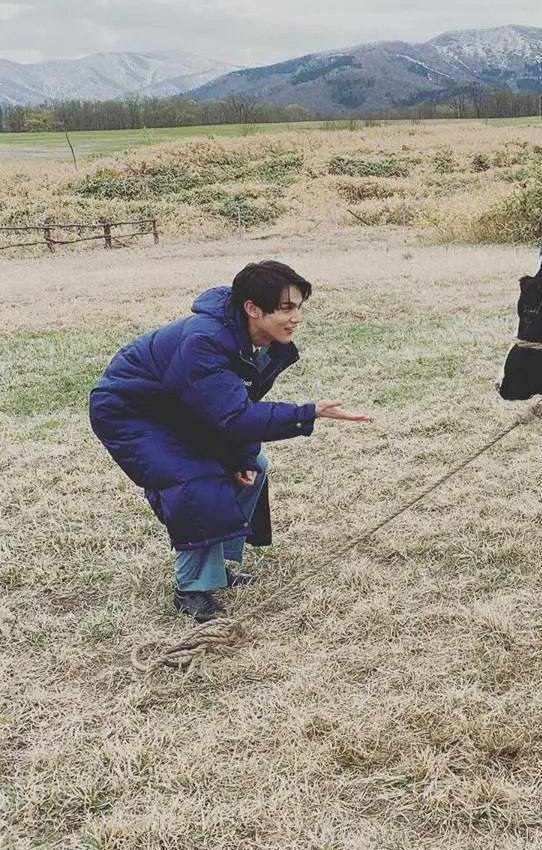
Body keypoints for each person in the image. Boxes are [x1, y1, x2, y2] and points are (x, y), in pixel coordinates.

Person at [89, 260, 368, 622]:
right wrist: (307, 412)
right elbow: (233, 416)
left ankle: (215, 570)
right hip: (132, 411)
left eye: (299, 307)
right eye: (286, 308)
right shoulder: (203, 341)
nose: (296, 317)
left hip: (184, 408)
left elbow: (235, 407)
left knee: (254, 467)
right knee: (196, 477)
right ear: (252, 308)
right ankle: (191, 589)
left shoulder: (260, 341)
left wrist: (243, 457)